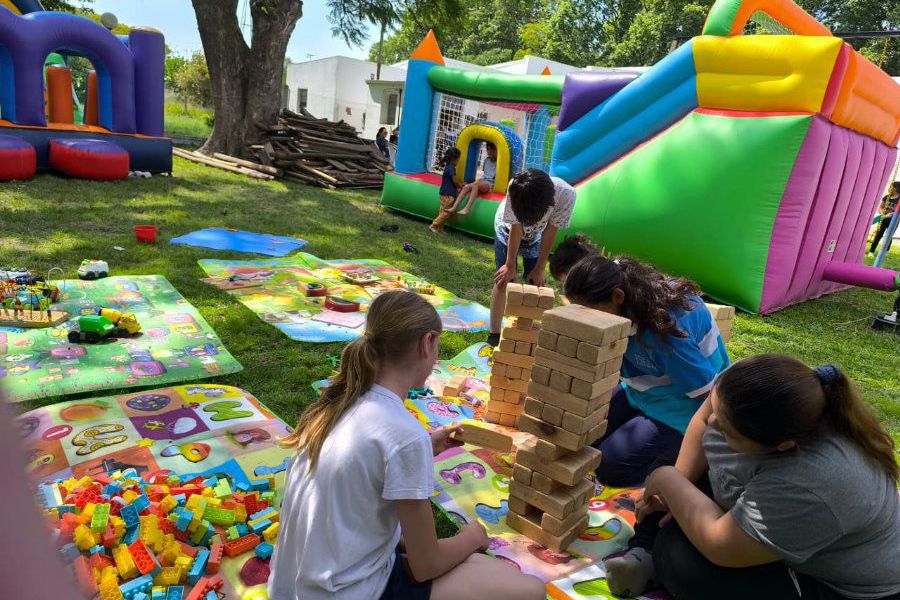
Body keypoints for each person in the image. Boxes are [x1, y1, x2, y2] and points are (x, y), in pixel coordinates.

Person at [269, 291, 546, 600]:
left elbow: (368, 464)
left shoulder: (338, 404)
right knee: (530, 590)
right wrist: (474, 535)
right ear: (426, 342)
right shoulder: (403, 433)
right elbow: (427, 564)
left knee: (486, 569)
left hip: (293, 587)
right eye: (438, 345)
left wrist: (426, 446)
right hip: (348, 592)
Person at [605, 354, 900, 600]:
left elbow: (719, 546)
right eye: (716, 409)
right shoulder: (749, 385)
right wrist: (676, 485)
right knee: (678, 479)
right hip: (775, 507)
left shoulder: (812, 481)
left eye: (727, 429)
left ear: (781, 445)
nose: (712, 421)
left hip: (835, 586)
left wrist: (667, 480)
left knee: (683, 560)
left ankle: (656, 559)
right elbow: (701, 420)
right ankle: (643, 554)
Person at [561, 254, 729, 485]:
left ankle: (671, 456)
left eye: (590, 314)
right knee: (584, 440)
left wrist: (693, 460)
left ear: (617, 297)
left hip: (682, 409)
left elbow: (708, 399)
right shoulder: (623, 299)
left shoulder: (665, 334)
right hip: (641, 393)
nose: (586, 323)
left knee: (609, 467)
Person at [488, 169, 576, 346]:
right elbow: (515, 227)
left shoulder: (566, 195)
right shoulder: (517, 187)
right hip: (507, 229)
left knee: (535, 283)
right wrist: (510, 264)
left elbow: (551, 231)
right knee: (503, 280)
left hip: (536, 235)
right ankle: (494, 334)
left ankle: (527, 332)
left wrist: (540, 267)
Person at [452, 143, 498, 216]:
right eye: (487, 149)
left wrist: (476, 183)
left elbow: (493, 178)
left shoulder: (499, 162)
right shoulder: (487, 160)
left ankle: (467, 208)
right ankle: (454, 208)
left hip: (489, 185)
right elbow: (484, 175)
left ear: (496, 150)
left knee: (475, 185)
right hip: (482, 182)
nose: (488, 151)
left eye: (490, 149)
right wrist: (474, 182)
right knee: (466, 186)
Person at [430, 148, 462, 234]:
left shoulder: (448, 166)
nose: (458, 161)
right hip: (448, 194)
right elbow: (454, 181)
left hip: (444, 192)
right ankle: (434, 225)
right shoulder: (451, 168)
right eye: (458, 159)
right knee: (446, 212)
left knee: (442, 211)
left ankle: (440, 227)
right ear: (454, 159)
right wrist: (461, 185)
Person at [869, 181, 899, 256]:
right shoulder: (887, 197)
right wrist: (883, 214)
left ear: (896, 188)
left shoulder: (899, 198)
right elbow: (880, 207)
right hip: (884, 218)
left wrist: (892, 214)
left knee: (889, 235)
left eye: (892, 186)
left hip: (893, 219)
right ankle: (871, 251)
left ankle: (885, 251)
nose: (890, 188)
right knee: (879, 234)